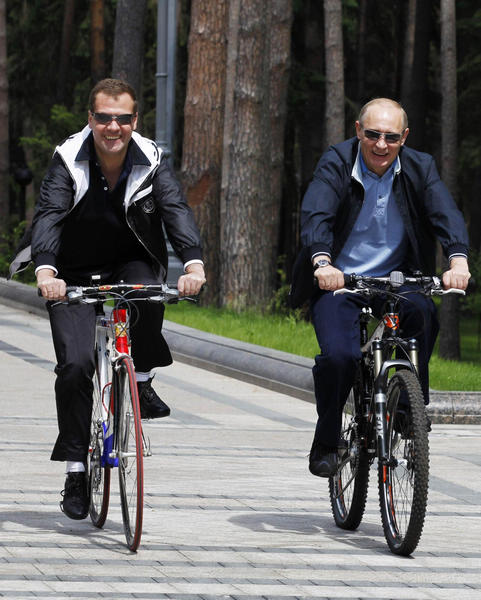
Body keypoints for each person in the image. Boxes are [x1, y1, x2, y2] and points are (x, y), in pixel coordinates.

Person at [10, 78, 206, 519]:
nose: (112, 127)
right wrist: (45, 270)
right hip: (71, 271)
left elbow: (175, 209)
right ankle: (77, 469)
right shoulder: (68, 159)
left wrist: (193, 264)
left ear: (135, 121)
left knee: (147, 294)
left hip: (128, 260)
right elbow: (49, 216)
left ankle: (140, 380)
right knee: (76, 364)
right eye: (103, 118)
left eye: (122, 118)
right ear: (91, 119)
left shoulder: (151, 158)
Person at [290, 98, 470, 478]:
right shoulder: (336, 163)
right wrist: (323, 263)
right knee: (339, 358)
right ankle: (326, 438)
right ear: (358, 131)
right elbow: (316, 213)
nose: (381, 145)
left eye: (391, 136)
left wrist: (458, 259)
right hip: (340, 281)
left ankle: (409, 410)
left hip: (397, 279)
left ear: (404, 137)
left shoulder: (421, 168)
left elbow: (445, 213)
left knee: (423, 314)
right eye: (372, 135)